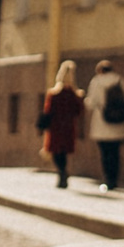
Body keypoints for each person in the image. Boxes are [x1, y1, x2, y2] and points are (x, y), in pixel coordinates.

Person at [38, 59, 86, 188]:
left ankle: (62, 172)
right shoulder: (74, 95)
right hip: (68, 127)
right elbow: (79, 111)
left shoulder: (54, 94)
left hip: (56, 127)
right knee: (63, 151)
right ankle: (63, 172)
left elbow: (48, 110)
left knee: (56, 152)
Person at [85, 57, 124, 192]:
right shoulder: (121, 80)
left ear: (100, 70)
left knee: (105, 153)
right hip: (118, 122)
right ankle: (115, 179)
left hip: (102, 122)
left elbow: (91, 103)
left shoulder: (96, 81)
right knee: (115, 153)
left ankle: (108, 179)